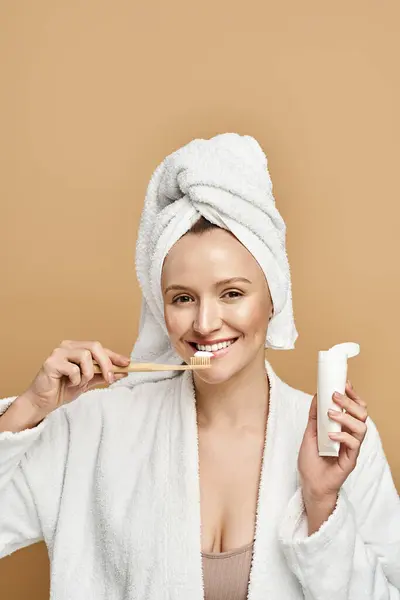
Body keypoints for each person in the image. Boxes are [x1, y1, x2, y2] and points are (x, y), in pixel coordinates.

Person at [0, 133, 399, 600]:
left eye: (232, 293)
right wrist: (28, 409)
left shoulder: (339, 442)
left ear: (273, 299)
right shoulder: (94, 426)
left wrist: (321, 503)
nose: (206, 323)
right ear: (160, 306)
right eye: (183, 298)